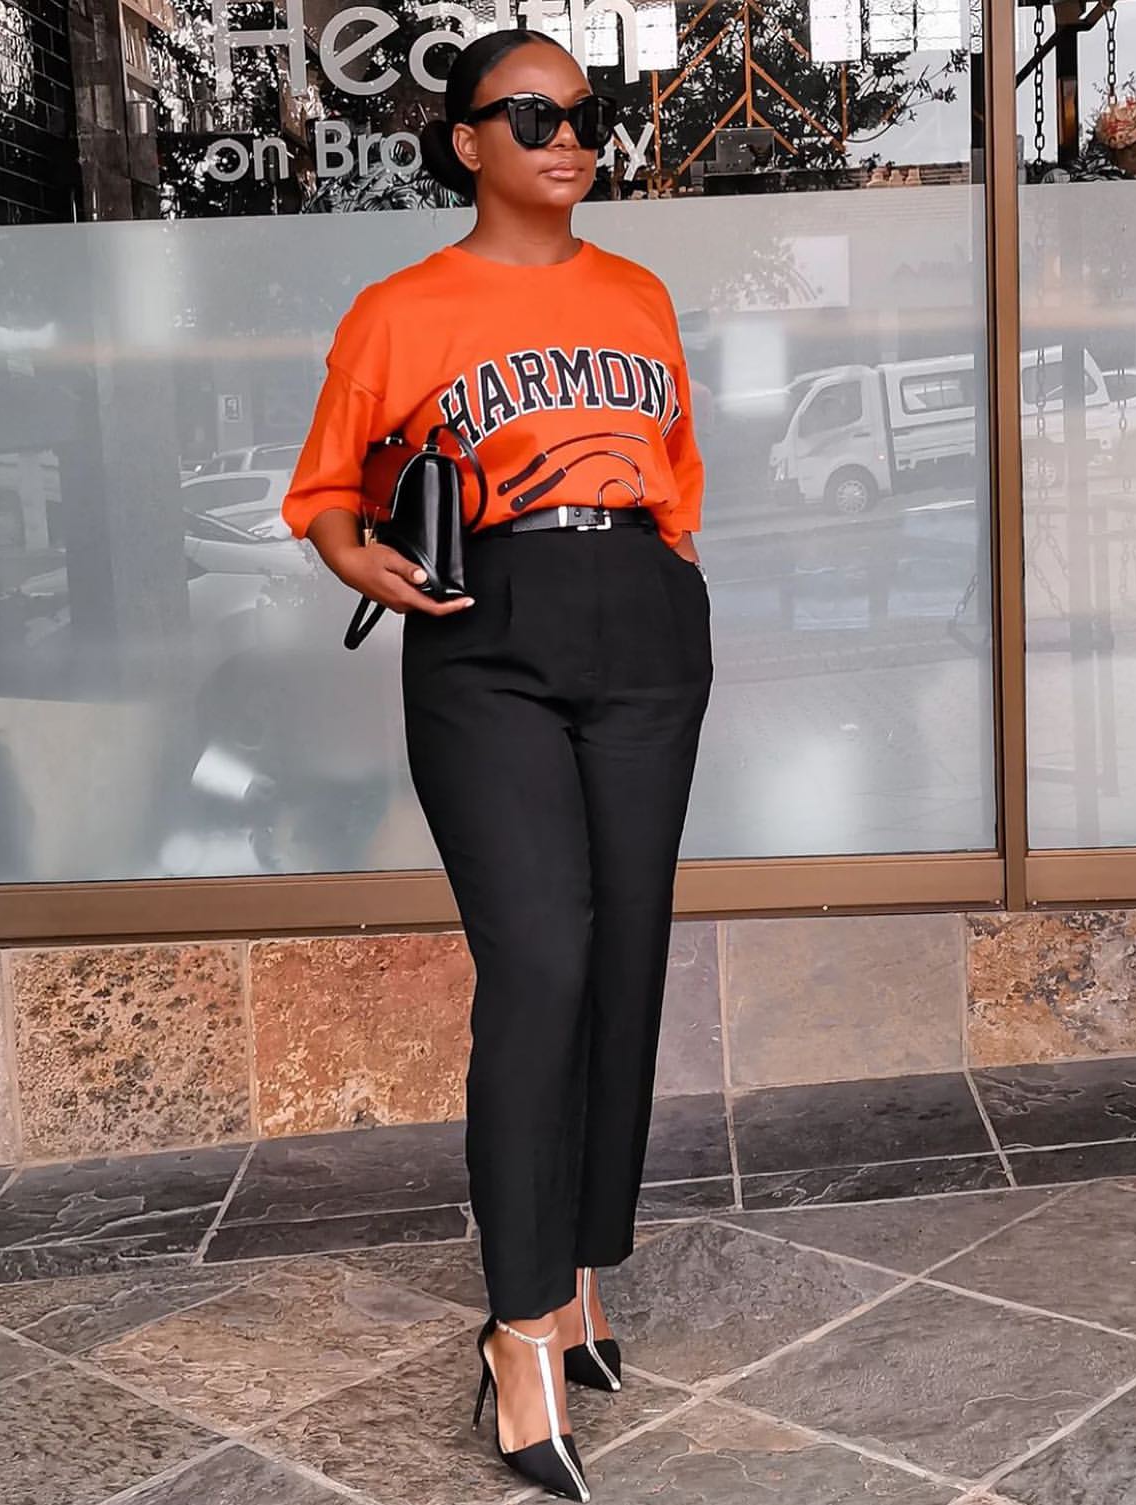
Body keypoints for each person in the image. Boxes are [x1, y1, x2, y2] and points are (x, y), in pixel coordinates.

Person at [281, 27, 712, 1502]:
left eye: (587, 112)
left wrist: (668, 580)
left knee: (625, 957)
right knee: (539, 959)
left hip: (642, 615)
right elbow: (327, 493)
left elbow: (674, 475)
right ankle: (518, 1326)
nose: (568, 136)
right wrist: (361, 560)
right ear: (465, 140)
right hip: (489, 632)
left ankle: (583, 1275)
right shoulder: (400, 310)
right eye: (532, 116)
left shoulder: (638, 296)